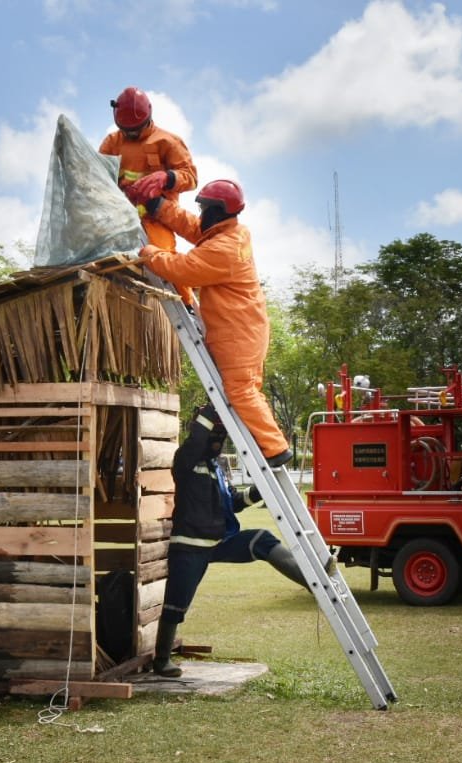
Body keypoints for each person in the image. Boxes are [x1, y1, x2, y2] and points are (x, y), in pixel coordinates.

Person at [139, 180, 293, 466]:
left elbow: (181, 269)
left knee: (240, 390)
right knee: (248, 389)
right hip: (245, 328)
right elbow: (194, 228)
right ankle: (272, 445)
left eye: (205, 207)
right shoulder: (230, 233)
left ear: (218, 210)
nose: (201, 212)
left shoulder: (224, 248)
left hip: (238, 333)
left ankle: (275, 449)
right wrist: (159, 207)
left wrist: (149, 253)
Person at [153, 404, 308, 677]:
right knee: (177, 603)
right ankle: (162, 659)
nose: (218, 440)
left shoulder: (216, 468)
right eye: (216, 434)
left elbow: (232, 502)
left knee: (262, 539)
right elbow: (198, 438)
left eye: (222, 436)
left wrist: (258, 492)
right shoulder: (186, 459)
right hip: (190, 546)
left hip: (220, 540)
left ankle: (311, 582)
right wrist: (213, 410)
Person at [99, 86, 199, 304]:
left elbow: (190, 177)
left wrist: (167, 178)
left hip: (156, 216)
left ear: (148, 117)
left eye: (135, 129)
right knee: (105, 262)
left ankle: (187, 306)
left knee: (166, 260)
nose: (131, 133)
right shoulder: (112, 143)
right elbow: (97, 177)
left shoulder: (168, 141)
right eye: (126, 130)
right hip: (120, 220)